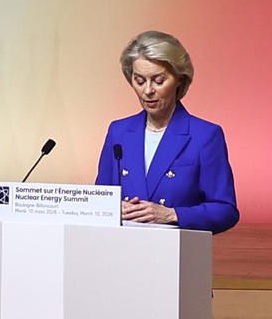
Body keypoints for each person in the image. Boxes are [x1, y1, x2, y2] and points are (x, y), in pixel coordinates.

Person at [95, 28, 236, 232]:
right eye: (140, 81)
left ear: (179, 79)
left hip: (177, 255)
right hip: (121, 253)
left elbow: (226, 211)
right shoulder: (118, 132)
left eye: (159, 81)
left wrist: (172, 214)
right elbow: (100, 201)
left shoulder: (205, 136)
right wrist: (112, 209)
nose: (148, 90)